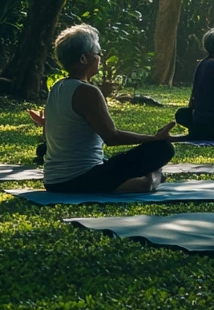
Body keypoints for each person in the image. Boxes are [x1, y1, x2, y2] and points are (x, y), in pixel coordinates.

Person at [31, 24, 175, 194]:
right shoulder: (87, 91)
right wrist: (154, 138)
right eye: (97, 53)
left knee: (115, 162)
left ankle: (136, 178)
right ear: (84, 59)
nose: (100, 57)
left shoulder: (56, 87)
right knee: (163, 149)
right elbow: (111, 137)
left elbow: (49, 136)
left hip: (53, 181)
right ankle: (154, 176)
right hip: (81, 179)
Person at [173, 28, 214, 141]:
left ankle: (199, 131)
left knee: (181, 114)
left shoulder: (202, 64)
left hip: (199, 122)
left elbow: (193, 97)